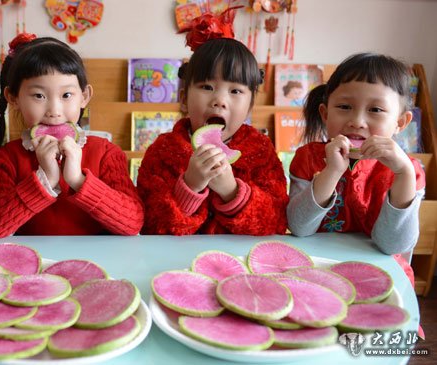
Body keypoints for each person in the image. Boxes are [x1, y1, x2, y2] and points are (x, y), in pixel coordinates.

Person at [0, 33, 143, 238]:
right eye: (39, 96)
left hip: (98, 265)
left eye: (66, 95)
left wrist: (78, 180)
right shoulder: (5, 159)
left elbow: (133, 223)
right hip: (32, 265)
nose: (54, 110)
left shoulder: (106, 153)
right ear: (13, 98)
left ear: (84, 96)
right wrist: (45, 180)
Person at [137, 12, 288, 235]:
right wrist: (190, 187)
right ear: (184, 99)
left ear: (250, 106)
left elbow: (276, 220)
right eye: (207, 87)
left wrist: (232, 191)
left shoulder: (261, 151)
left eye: (235, 91)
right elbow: (149, 225)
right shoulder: (162, 151)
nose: (220, 101)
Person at [287, 53, 426, 287]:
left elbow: (393, 245)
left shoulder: (409, 172)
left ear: (400, 123)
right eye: (344, 107)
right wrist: (332, 171)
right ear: (325, 113)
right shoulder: (308, 158)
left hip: (381, 278)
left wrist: (404, 175)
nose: (357, 121)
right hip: (316, 272)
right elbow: (299, 228)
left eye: (376, 110)